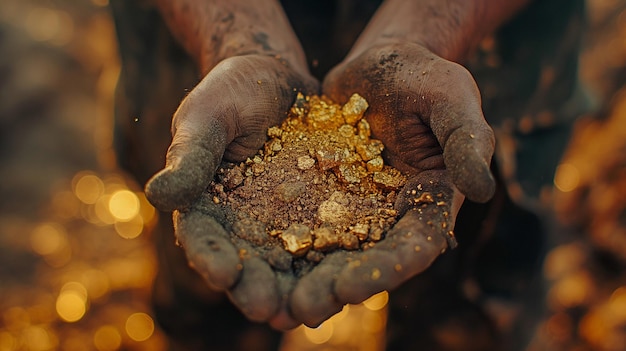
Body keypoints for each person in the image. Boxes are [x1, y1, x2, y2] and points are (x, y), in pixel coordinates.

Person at [110, 0, 591, 349]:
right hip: (197, 26)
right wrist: (234, 39)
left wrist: (420, 37)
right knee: (210, 309)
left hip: (492, 37)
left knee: (463, 313)